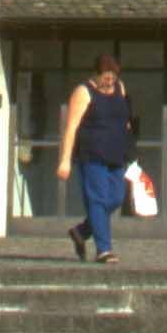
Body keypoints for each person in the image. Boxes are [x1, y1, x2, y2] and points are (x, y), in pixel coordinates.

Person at [52, 52, 135, 265]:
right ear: (97, 74)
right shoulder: (83, 92)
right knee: (97, 200)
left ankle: (81, 231)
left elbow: (125, 120)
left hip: (116, 155)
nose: (109, 82)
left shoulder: (121, 88)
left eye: (112, 78)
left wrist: (130, 148)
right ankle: (104, 250)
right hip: (92, 156)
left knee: (116, 198)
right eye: (105, 78)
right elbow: (71, 128)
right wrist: (65, 160)